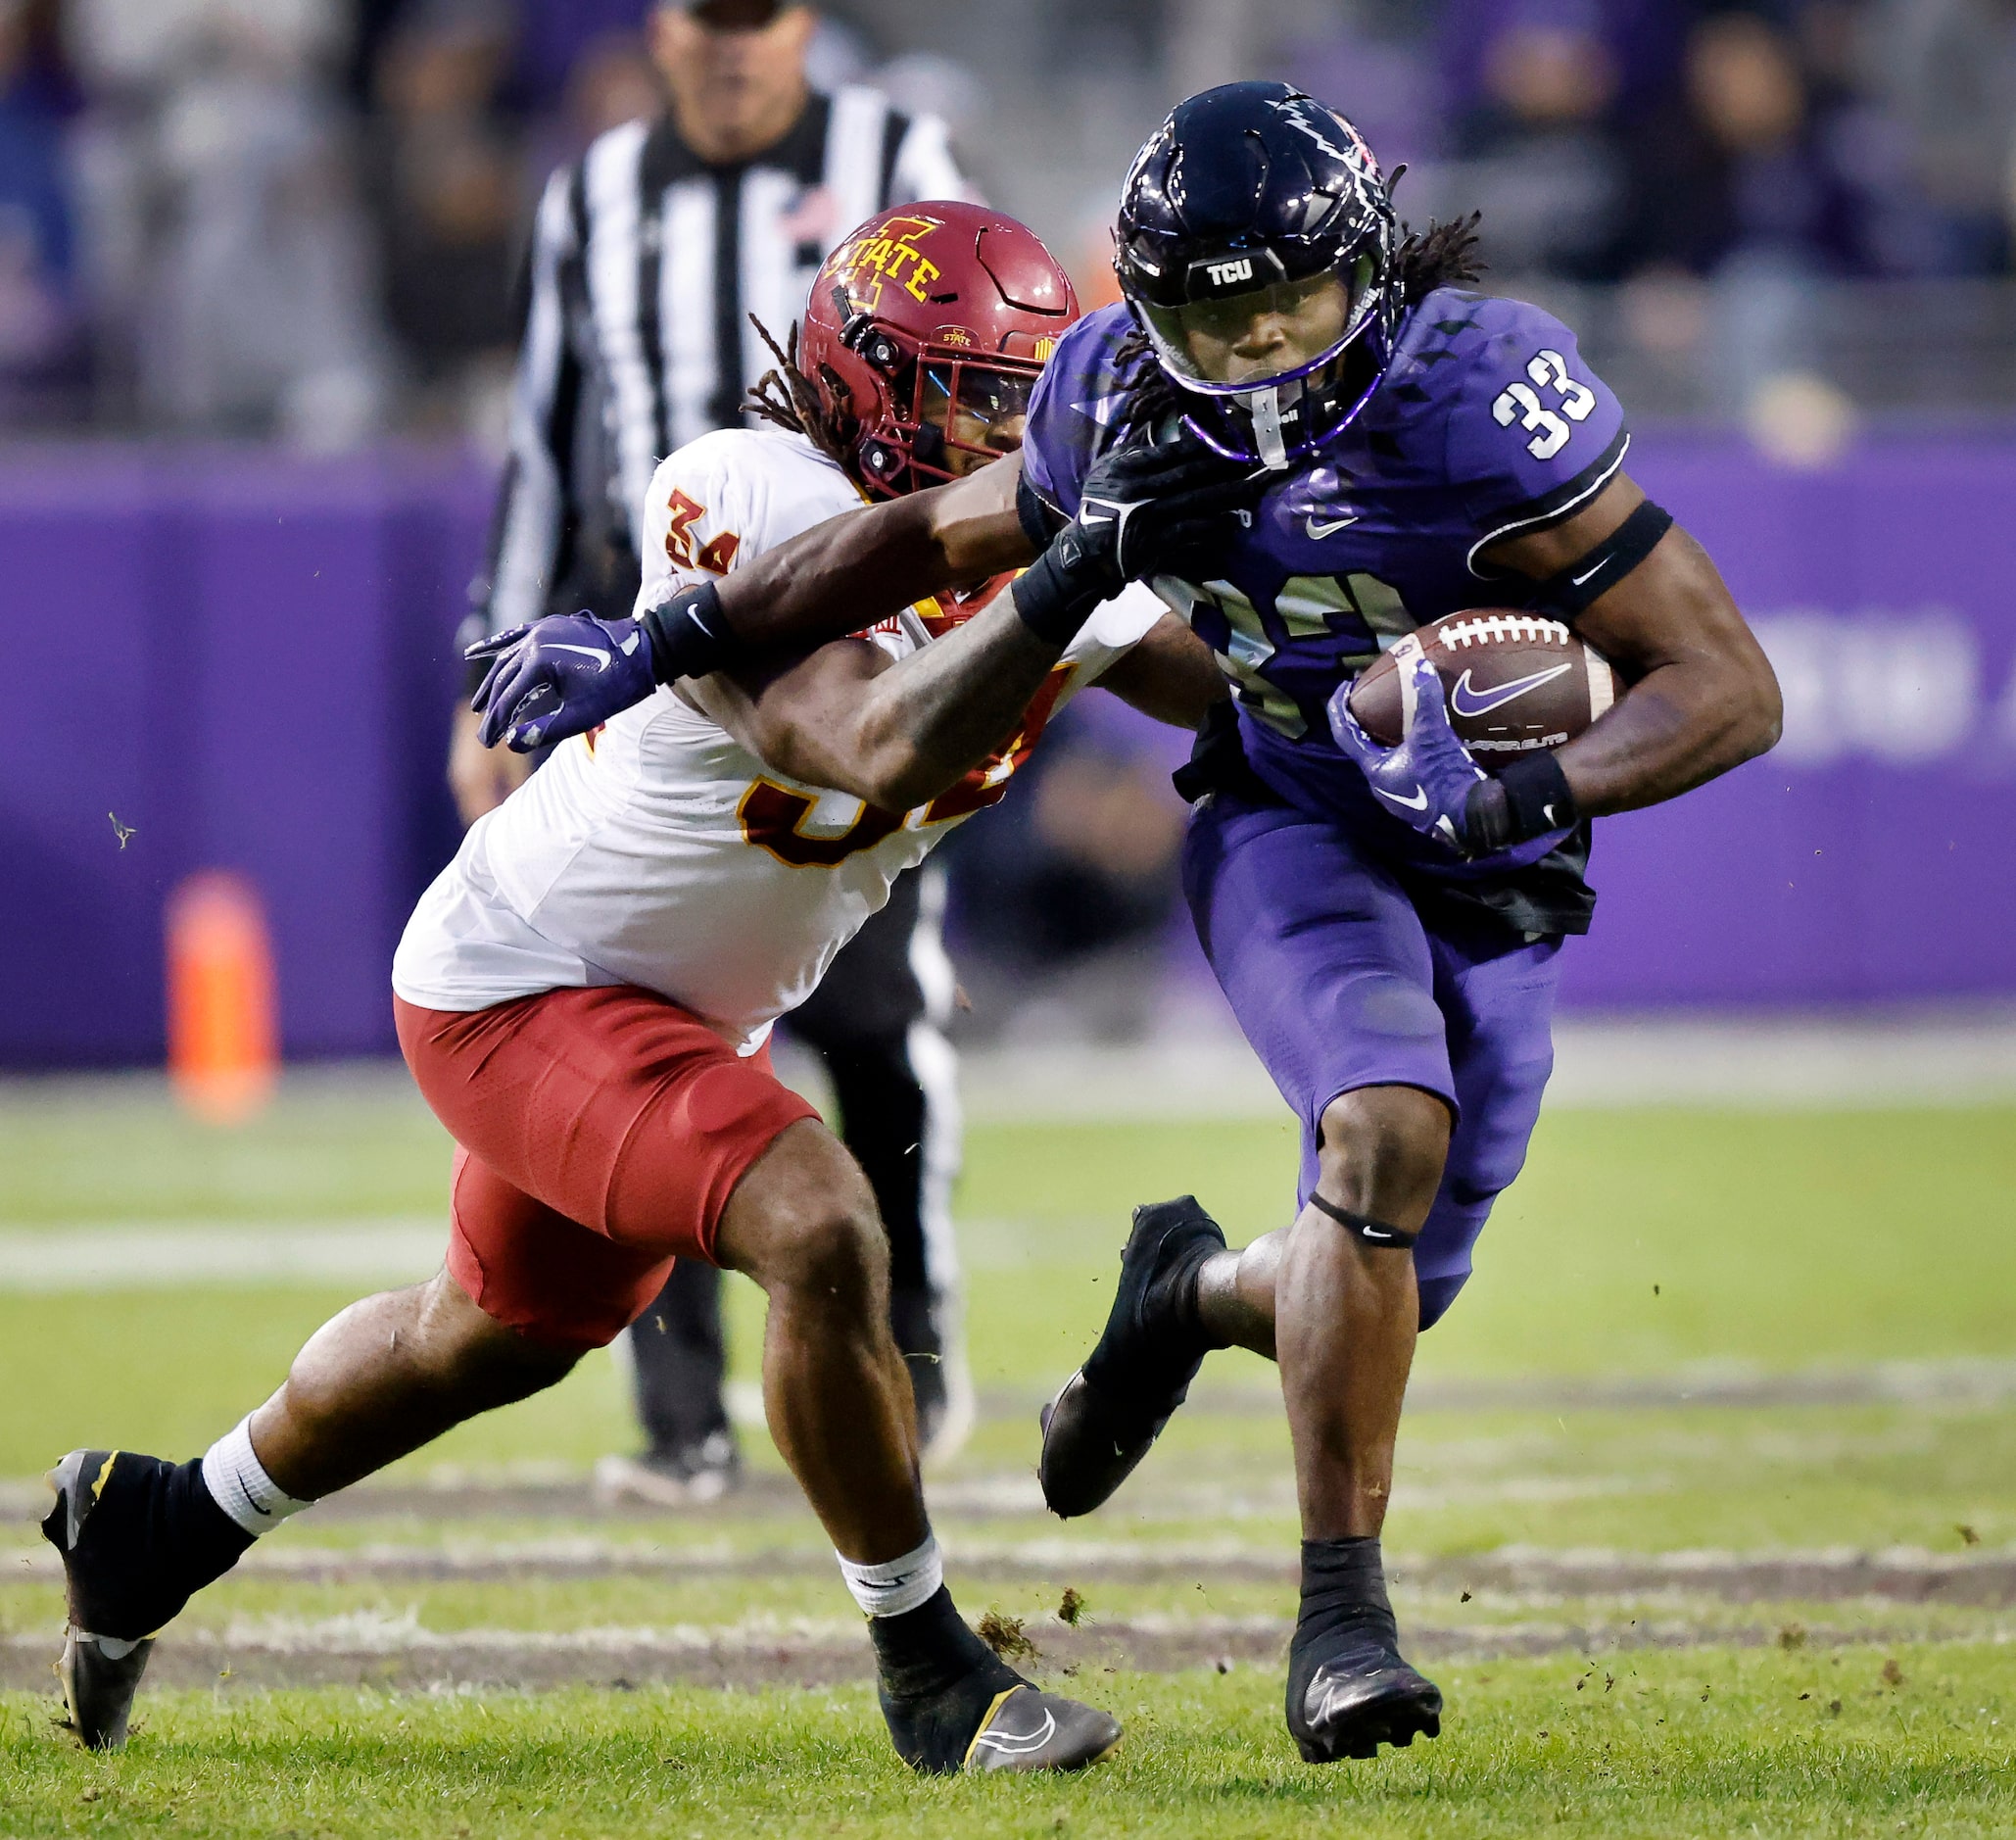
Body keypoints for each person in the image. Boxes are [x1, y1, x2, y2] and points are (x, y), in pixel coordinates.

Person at [472, 82, 1783, 1766]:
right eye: (1201, 316)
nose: (1242, 353)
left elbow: (1725, 684)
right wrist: (665, 640)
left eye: (1282, 308)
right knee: (1380, 1128)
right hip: (1293, 813)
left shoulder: (1478, 396)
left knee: (1388, 1268)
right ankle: (1338, 1623)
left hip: (1485, 859)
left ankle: (1183, 1294)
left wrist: (1533, 793)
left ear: (1362, 274)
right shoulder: (1118, 396)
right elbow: (910, 542)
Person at [42, 199, 1240, 1770]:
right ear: (868, 379)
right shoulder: (745, 489)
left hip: (673, 1015)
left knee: (486, 1336)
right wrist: (1075, 558)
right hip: (522, 978)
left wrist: (1413, 707)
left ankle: (155, 1523)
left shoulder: (1018, 533)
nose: (1006, 431)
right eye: (971, 392)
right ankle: (933, 1667)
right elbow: (861, 740)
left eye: (1028, 396)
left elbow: (1249, 693)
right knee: (813, 1219)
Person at [450, 0, 978, 1502]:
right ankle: (679, 1414)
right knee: (634, 1003)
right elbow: (548, 442)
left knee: (878, 1026)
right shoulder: (595, 191)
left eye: (763, 14)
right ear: (660, 26)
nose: (737, 45)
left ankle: (910, 1347)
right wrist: (486, 669)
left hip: (866, 635)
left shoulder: (895, 150)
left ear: (806, 22)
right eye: (710, 14)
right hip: (662, 644)